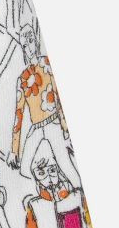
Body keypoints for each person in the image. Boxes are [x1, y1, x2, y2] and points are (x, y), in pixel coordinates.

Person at [5, 23, 81, 188]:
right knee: (25, 169)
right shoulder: (22, 78)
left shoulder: (47, 64)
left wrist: (65, 129)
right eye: (24, 44)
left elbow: (58, 98)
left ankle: (77, 193)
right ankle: (45, 195)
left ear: (36, 40)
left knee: (65, 163)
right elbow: (18, 115)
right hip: (36, 128)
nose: (29, 47)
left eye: (31, 40)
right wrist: (14, 150)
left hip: (53, 123)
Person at [24, 139, 92, 228]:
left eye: (52, 170)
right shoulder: (35, 205)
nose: (49, 177)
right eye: (41, 173)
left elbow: (86, 227)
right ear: (35, 177)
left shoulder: (76, 197)